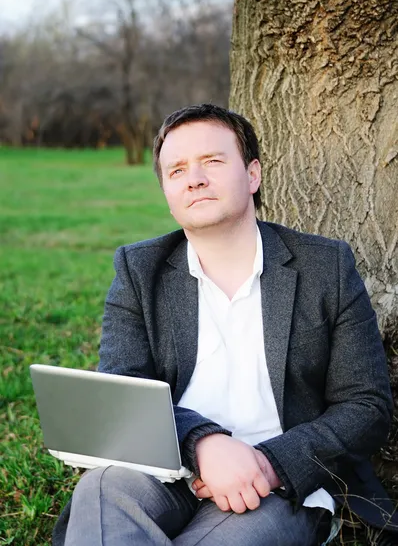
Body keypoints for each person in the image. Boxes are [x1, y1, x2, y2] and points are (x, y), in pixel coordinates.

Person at [53, 104, 398, 546]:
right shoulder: (140, 270)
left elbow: (365, 405)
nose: (193, 178)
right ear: (168, 192)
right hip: (169, 468)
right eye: (176, 170)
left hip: (278, 484)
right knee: (102, 491)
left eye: (212, 162)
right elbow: (124, 386)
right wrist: (203, 445)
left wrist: (268, 464)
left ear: (252, 175)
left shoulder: (324, 266)